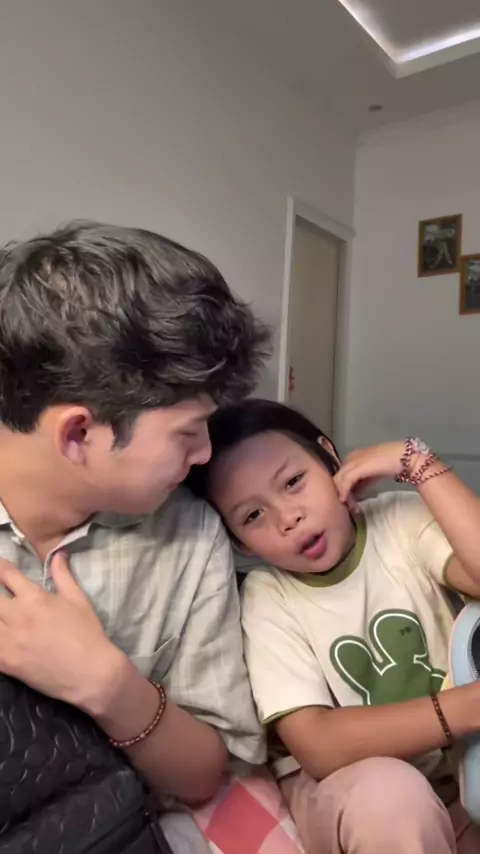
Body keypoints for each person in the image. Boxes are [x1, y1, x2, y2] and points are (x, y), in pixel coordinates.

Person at [0, 223, 270, 818]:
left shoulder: (189, 536)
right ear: (78, 434)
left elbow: (203, 774)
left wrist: (107, 684)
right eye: (187, 433)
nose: (205, 454)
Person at [188, 398, 480, 854]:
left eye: (293, 482)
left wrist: (418, 465)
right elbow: (318, 744)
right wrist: (465, 709)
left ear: (329, 458)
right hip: (358, 794)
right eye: (252, 516)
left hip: (459, 782)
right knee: (392, 796)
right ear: (238, 541)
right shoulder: (269, 597)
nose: (288, 518)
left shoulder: (398, 520)